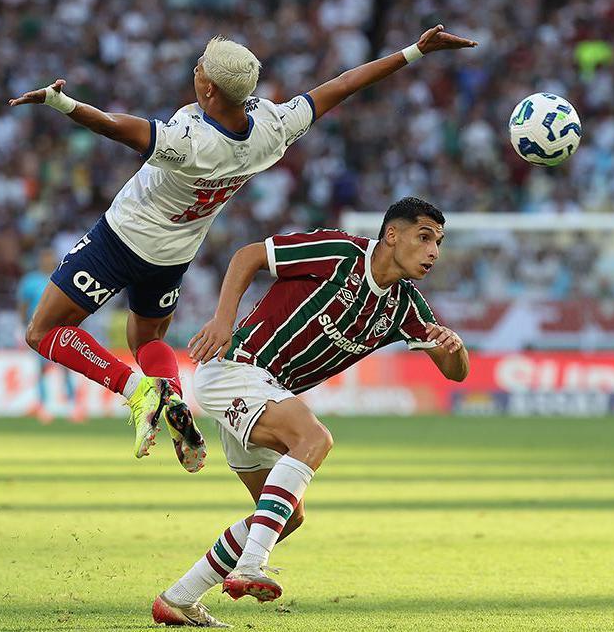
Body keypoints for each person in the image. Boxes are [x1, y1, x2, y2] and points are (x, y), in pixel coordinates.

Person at [7, 26, 477, 470]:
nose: (195, 69)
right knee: (147, 340)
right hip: (175, 256)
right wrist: (413, 52)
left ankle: (137, 392)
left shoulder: (188, 143)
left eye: (199, 69)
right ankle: (170, 397)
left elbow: (116, 127)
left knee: (42, 331)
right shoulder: (271, 130)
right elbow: (341, 86)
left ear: (208, 90)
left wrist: (62, 102)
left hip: (122, 239)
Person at [151, 197, 469, 627]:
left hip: (267, 395)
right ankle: (249, 567)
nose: (434, 251)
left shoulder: (405, 306)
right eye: (425, 237)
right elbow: (249, 256)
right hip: (235, 368)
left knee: (286, 516)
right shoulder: (340, 254)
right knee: (314, 439)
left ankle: (179, 598)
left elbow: (454, 373)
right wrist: (224, 321)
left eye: (439, 242)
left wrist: (455, 346)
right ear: (393, 235)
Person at [17, 249, 82, 424]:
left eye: (50, 257)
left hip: (61, 328)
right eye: (45, 257)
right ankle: (44, 406)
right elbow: (23, 306)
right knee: (41, 369)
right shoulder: (30, 281)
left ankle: (72, 405)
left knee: (67, 368)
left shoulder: (63, 276)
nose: (48, 260)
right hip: (39, 331)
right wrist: (22, 327)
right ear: (40, 259)